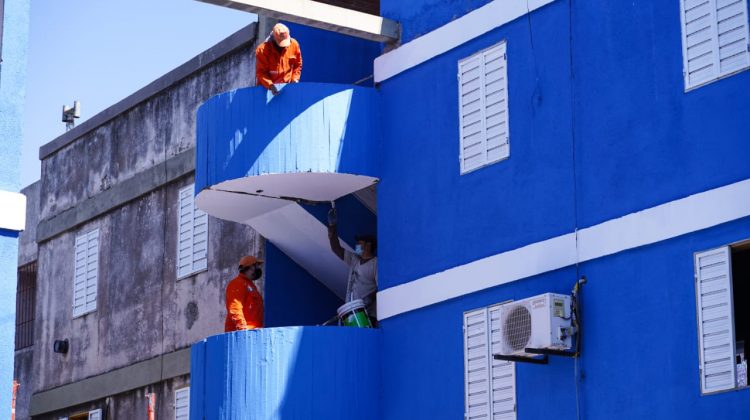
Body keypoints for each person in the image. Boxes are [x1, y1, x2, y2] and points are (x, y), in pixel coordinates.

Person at [327, 208, 378, 322]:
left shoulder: (376, 264)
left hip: (367, 314)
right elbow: (336, 249)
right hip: (351, 312)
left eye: (360, 244)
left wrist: (368, 300)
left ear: (368, 245)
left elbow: (380, 289)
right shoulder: (354, 259)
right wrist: (332, 227)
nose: (357, 246)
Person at [255, 23, 302, 95]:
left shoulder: (294, 45)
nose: (284, 46)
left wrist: (294, 79)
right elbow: (261, 73)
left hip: (287, 89)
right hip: (266, 91)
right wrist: (270, 85)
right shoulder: (262, 50)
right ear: (274, 39)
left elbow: (297, 65)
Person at [224, 255, 265, 332]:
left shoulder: (251, 286)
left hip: (253, 333)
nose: (259, 269)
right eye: (257, 265)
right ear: (251, 267)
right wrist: (243, 329)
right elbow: (235, 308)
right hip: (241, 334)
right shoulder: (237, 283)